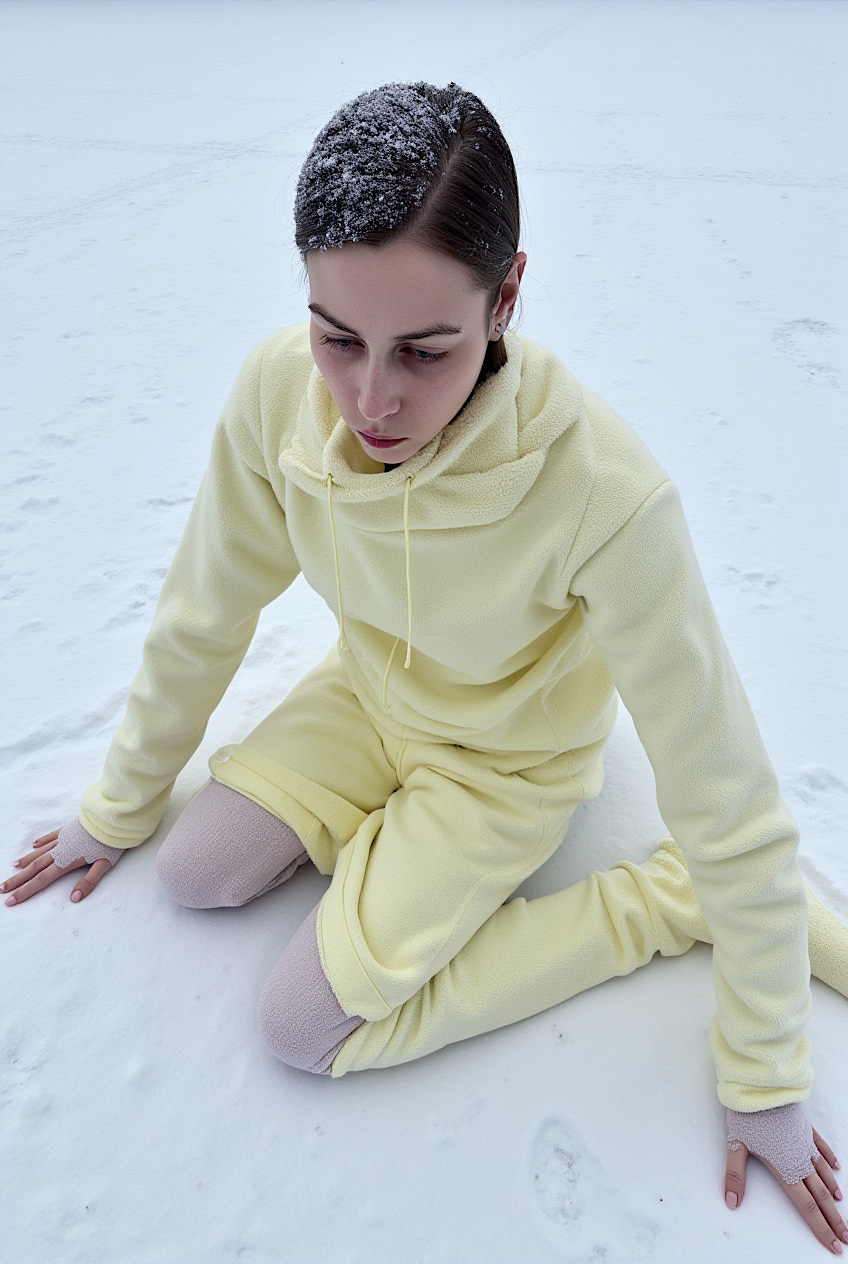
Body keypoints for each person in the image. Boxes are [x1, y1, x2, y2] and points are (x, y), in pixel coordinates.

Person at [4, 80, 848, 1254]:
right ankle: (358, 832)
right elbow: (205, 611)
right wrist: (118, 804)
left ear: (504, 296)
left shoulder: (603, 494)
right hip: (369, 700)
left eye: (424, 349)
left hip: (502, 765)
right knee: (191, 873)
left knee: (303, 1028)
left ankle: (663, 902)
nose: (370, 398)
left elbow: (723, 784)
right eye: (336, 336)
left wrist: (761, 1068)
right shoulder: (277, 399)